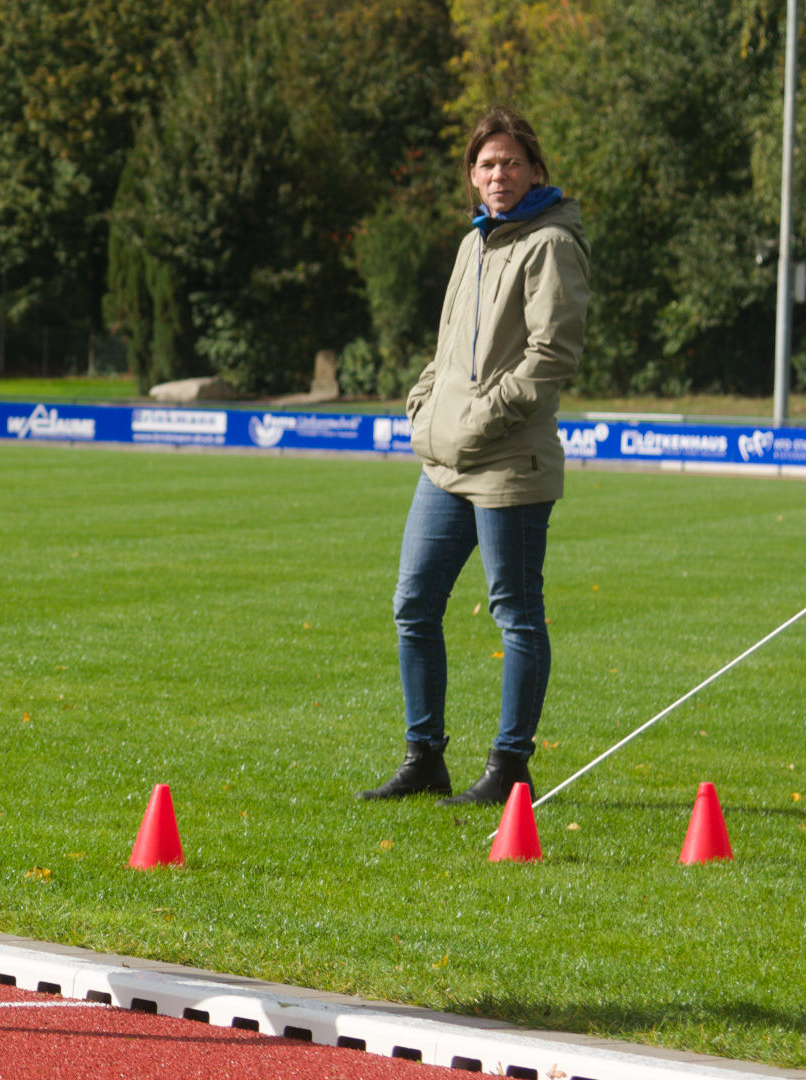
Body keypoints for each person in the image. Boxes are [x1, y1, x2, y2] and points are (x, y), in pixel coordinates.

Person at [359, 106, 590, 806]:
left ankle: (509, 766)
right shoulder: (475, 244)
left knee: (516, 613)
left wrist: (481, 417)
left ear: (535, 171)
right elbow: (444, 350)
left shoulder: (551, 243)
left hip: (510, 463)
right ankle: (424, 755)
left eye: (511, 163)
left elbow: (553, 356)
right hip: (447, 460)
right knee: (414, 604)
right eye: (487, 164)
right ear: (472, 175)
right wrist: (426, 406)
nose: (498, 174)